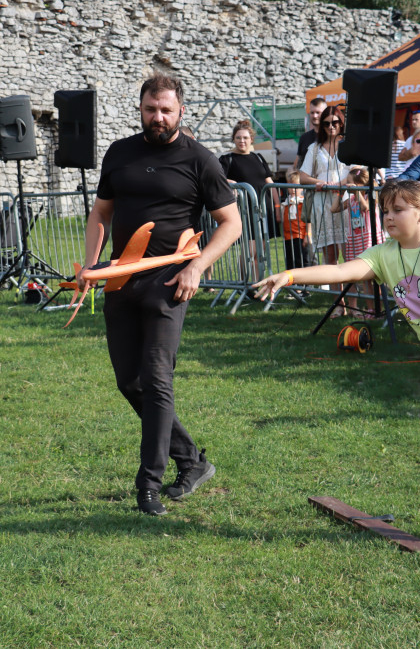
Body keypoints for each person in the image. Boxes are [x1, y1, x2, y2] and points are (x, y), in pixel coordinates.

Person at [253, 179, 420, 556]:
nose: (389, 217)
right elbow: (341, 271)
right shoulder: (384, 254)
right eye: (386, 211)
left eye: (398, 210)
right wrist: (291, 275)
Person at [77, 72, 242, 516]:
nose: (158, 117)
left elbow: (232, 223)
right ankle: (190, 459)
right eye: (151, 109)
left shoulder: (200, 160)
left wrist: (198, 265)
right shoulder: (120, 154)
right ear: (141, 109)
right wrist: (92, 263)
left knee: (156, 379)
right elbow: (101, 213)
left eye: (166, 109)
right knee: (129, 382)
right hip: (120, 280)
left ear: (180, 111)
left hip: (171, 283)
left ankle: (148, 483)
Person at [299, 104, 352, 316]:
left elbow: (358, 171)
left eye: (335, 122)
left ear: (341, 123)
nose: (331, 126)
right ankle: (339, 305)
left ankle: (359, 303)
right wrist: (319, 182)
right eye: (327, 123)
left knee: (351, 257)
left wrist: (340, 183)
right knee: (330, 258)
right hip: (322, 205)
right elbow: (302, 176)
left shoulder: (349, 146)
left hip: (346, 203)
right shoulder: (314, 148)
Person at [330, 166, 382, 314]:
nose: (348, 186)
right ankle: (371, 308)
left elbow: (365, 208)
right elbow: (334, 209)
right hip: (356, 239)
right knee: (365, 279)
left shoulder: (370, 196)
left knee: (374, 278)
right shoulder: (352, 199)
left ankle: (375, 308)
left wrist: (357, 191)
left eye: (351, 183)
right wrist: (338, 194)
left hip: (369, 239)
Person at [220, 119, 277, 244]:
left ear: (251, 139)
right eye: (238, 137)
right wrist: (231, 182)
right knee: (251, 251)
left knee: (262, 250)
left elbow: (270, 183)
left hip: (264, 209)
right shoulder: (226, 159)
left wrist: (277, 206)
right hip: (245, 211)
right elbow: (217, 179)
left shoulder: (258, 157)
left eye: (245, 137)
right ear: (233, 139)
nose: (242, 141)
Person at [281, 170, 310, 271]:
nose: (293, 189)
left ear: (301, 187)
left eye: (296, 186)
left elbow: (308, 220)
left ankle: (304, 283)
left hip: (300, 236)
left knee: (301, 260)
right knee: (290, 261)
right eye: (290, 186)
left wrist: (307, 235)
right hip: (288, 237)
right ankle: (292, 284)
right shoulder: (286, 203)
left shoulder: (303, 202)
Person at [294, 97, 327, 171]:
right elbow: (298, 162)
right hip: (307, 181)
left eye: (318, 112)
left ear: (325, 113)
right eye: (312, 112)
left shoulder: (332, 136)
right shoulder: (304, 137)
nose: (314, 116)